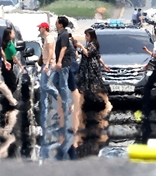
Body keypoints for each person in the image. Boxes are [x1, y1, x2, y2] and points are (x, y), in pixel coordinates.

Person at [75, 29, 112, 126]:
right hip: (86, 69)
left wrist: (81, 46)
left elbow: (88, 54)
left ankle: (107, 105)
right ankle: (80, 108)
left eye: (86, 36)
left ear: (90, 35)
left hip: (91, 69)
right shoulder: (89, 44)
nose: (85, 38)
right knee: (84, 88)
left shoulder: (93, 45)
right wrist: (104, 65)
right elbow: (98, 56)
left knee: (96, 87)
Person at [53, 16, 74, 159]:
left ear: (61, 24)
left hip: (64, 63)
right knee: (57, 82)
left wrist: (59, 61)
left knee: (63, 83)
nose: (55, 24)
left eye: (56, 22)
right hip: (62, 63)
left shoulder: (64, 34)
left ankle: (67, 105)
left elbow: (64, 48)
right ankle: (67, 102)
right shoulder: (61, 34)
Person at [37, 22, 59, 159]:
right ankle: (43, 109)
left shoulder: (49, 38)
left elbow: (51, 52)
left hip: (48, 65)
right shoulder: (46, 38)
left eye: (40, 27)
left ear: (44, 28)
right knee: (43, 91)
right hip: (46, 64)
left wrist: (46, 65)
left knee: (44, 86)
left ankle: (58, 95)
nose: (39, 29)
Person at [2, 27, 24, 93]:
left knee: (8, 83)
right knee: (13, 84)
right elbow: (14, 57)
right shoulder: (10, 44)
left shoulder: (4, 43)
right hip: (8, 64)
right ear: (9, 34)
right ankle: (8, 98)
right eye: (13, 33)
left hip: (5, 64)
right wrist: (21, 66)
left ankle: (8, 98)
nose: (14, 34)